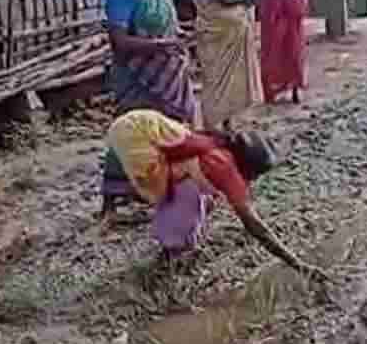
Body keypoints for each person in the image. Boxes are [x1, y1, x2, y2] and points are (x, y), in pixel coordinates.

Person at [105, 108, 329, 281]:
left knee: (201, 194)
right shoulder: (224, 167)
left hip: (140, 122)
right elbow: (255, 226)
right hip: (135, 134)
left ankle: (174, 241)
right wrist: (298, 264)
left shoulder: (218, 148)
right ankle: (171, 250)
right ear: (248, 167)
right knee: (186, 197)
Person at [99, 0, 200, 217]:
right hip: (136, 75)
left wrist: (183, 39)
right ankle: (111, 198)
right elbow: (120, 41)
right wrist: (159, 46)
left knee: (168, 130)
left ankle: (159, 189)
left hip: (167, 74)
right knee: (130, 130)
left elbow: (171, 30)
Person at [193, 0, 263, 132]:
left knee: (232, 82)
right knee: (216, 81)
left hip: (231, 33)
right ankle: (213, 123)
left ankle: (228, 120)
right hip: (215, 34)